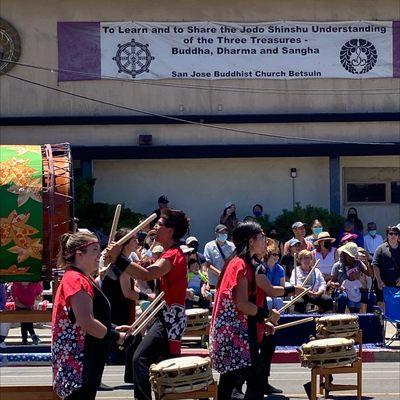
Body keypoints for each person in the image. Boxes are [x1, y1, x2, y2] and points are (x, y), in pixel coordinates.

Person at [106, 208, 190, 400]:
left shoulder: (173, 255)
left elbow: (146, 274)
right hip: (164, 315)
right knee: (161, 366)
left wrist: (119, 258)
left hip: (169, 319)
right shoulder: (169, 253)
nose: (155, 228)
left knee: (140, 359)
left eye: (160, 224)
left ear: (170, 230)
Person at [52, 231, 125, 400]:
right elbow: (86, 322)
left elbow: (91, 317)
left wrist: (114, 327)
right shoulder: (76, 280)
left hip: (85, 360)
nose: (99, 255)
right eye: (95, 250)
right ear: (79, 254)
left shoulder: (83, 278)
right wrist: (116, 336)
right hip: (78, 362)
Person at [209, 222, 277, 400]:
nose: (265, 241)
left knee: (232, 379)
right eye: (262, 237)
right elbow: (241, 304)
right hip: (234, 334)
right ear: (251, 241)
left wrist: (262, 320)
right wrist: (267, 314)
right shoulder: (239, 264)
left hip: (238, 331)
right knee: (254, 377)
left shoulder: (242, 263)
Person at [330, 242, 373, 313]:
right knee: (342, 297)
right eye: (350, 256)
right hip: (343, 290)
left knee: (371, 296)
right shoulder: (337, 266)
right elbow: (331, 281)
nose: (352, 258)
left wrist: (367, 263)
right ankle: (340, 317)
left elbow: (370, 274)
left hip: (356, 289)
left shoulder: (358, 263)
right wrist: (335, 284)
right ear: (345, 254)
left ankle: (369, 320)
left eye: (353, 257)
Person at [371, 226, 400, 309]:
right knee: (382, 306)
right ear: (387, 235)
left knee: (397, 306)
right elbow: (375, 265)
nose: (393, 235)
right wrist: (379, 281)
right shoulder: (380, 249)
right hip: (384, 283)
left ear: (398, 236)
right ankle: (382, 321)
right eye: (391, 233)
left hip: (397, 283)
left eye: (395, 234)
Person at [11, 281, 43, 345]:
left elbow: (40, 297)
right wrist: (28, 307)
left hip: (31, 307)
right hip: (20, 307)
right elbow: (17, 302)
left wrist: (37, 300)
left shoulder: (36, 283)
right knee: (25, 313)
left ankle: (25, 340)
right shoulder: (15, 284)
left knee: (25, 318)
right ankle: (33, 335)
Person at [264, 242, 285, 311]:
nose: (277, 257)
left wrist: (274, 292)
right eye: (274, 255)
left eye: (278, 255)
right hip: (264, 294)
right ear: (268, 255)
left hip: (276, 294)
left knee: (278, 300)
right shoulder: (262, 268)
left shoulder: (280, 269)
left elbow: (282, 287)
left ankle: (281, 320)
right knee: (268, 300)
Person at [0, 283, 10, 348]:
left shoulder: (1, 285)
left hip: (0, 309)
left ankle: (1, 340)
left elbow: (3, 300)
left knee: (7, 319)